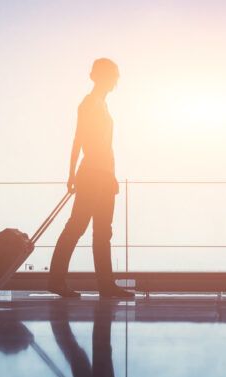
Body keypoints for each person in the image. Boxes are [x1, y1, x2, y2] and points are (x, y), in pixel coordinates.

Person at [48, 58, 134, 299]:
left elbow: (104, 145)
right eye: (114, 75)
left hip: (103, 175)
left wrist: (110, 175)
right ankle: (57, 280)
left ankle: (105, 284)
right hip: (94, 174)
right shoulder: (89, 103)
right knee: (77, 227)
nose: (116, 80)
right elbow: (79, 139)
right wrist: (72, 173)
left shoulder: (101, 104)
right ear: (104, 77)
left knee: (101, 231)